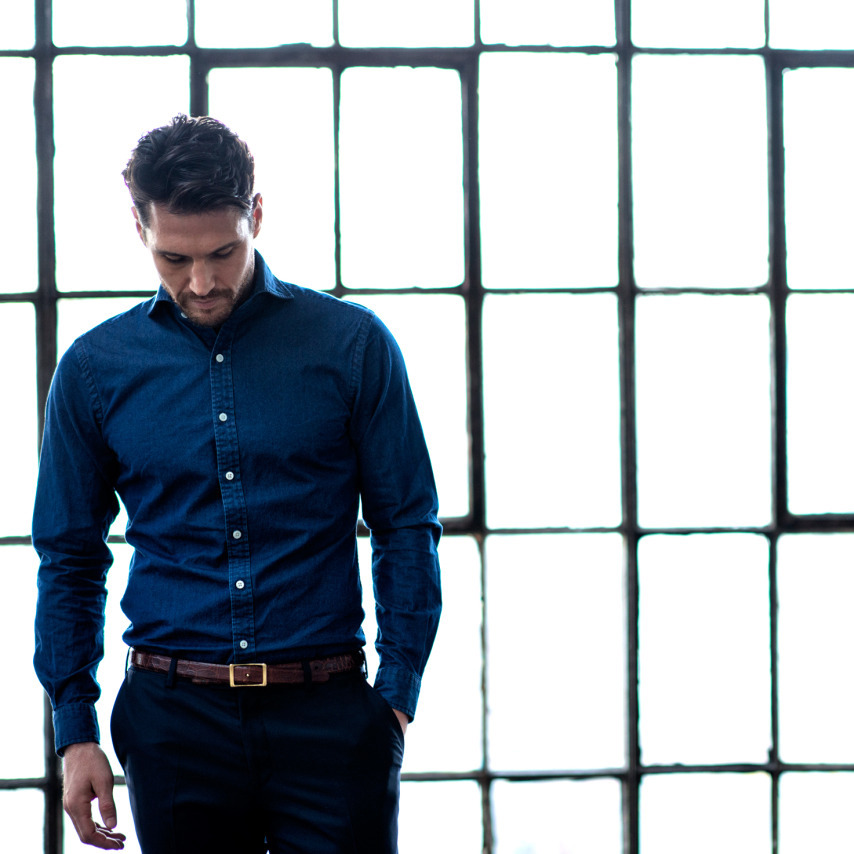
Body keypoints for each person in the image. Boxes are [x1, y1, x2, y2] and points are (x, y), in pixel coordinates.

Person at [32, 114, 442, 853]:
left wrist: (396, 700)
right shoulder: (94, 370)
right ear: (139, 226)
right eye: (173, 258)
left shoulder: (353, 346)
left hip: (330, 718)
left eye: (223, 252)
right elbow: (69, 556)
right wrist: (75, 730)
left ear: (256, 214)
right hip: (171, 722)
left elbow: (406, 526)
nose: (201, 282)